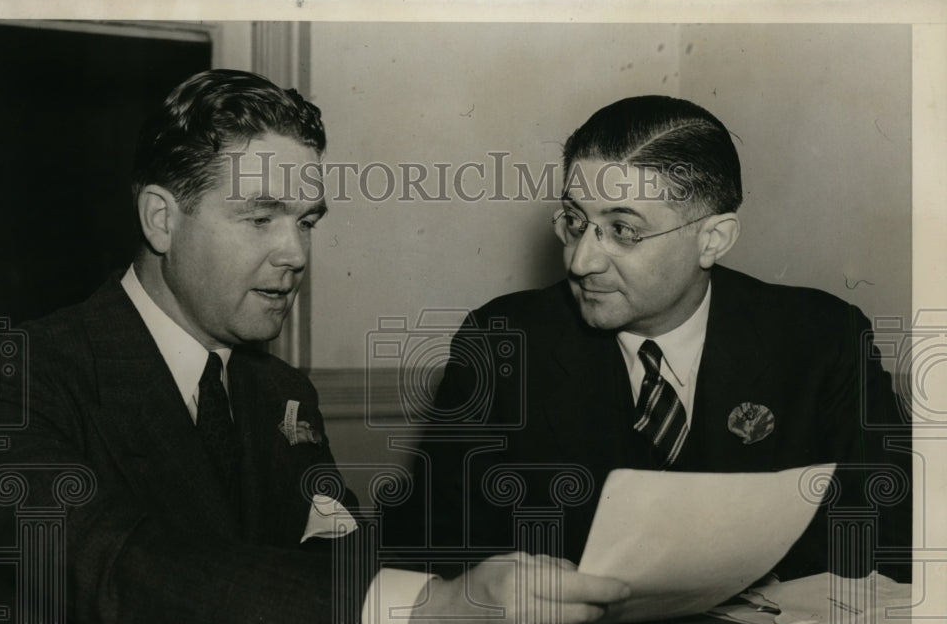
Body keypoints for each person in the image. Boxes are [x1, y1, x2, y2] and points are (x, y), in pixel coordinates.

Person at [0, 70, 629, 624]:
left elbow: (339, 552)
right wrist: (426, 616)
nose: (296, 254)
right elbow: (120, 574)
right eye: (261, 218)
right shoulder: (14, 376)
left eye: (306, 221)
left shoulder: (279, 390)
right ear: (161, 220)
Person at [384, 95, 911, 587]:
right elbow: (427, 552)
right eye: (574, 220)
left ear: (713, 239)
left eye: (623, 230)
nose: (580, 260)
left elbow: (891, 542)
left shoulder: (822, 339)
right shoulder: (502, 345)